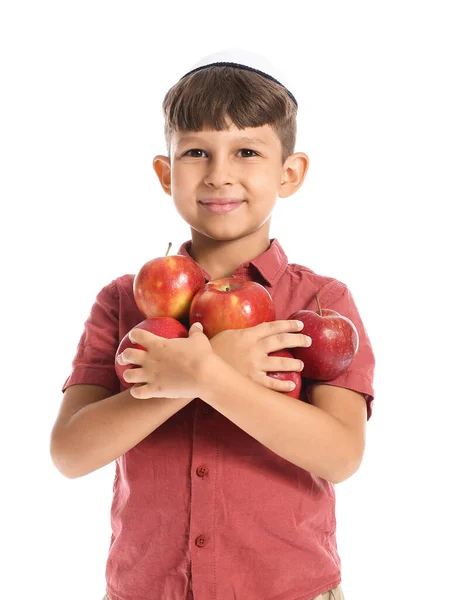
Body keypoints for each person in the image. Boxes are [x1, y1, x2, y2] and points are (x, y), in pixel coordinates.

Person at [50, 48, 375, 600]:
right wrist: (199, 374)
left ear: (290, 174)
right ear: (165, 172)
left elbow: (340, 455)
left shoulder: (320, 301)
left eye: (246, 151)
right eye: (197, 152)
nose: (220, 174)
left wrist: (207, 378)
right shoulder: (122, 302)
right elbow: (71, 452)